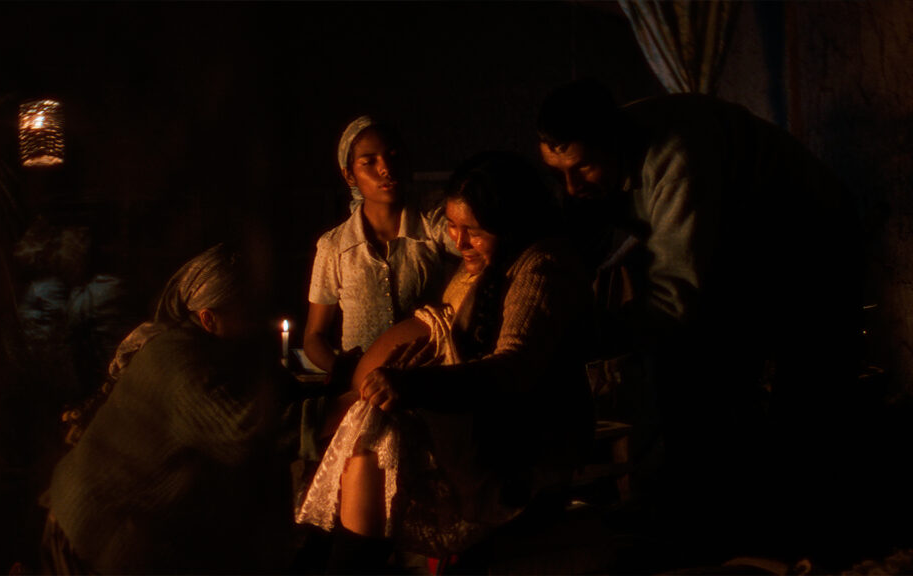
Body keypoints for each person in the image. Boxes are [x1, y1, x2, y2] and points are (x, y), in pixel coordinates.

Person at [536, 79, 866, 561]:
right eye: (557, 172)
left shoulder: (678, 158)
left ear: (614, 141)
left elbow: (674, 298)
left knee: (803, 392)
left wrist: (588, 338)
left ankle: (806, 540)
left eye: (582, 167)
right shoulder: (599, 155)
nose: (571, 186)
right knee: (688, 365)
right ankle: (688, 512)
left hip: (810, 239)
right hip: (738, 239)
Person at [296, 151, 596, 573]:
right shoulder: (483, 263)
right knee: (368, 434)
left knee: (375, 439)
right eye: (453, 226)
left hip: (513, 453)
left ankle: (344, 562)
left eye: (473, 230)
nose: (459, 241)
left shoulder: (541, 268)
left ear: (510, 224)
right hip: (464, 430)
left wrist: (415, 385)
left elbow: (513, 367)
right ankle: (331, 556)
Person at [39, 243, 295, 575]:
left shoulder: (201, 348)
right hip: (90, 529)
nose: (254, 320)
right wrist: (325, 412)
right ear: (208, 317)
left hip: (99, 522)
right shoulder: (179, 361)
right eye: (245, 310)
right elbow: (243, 432)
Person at [304, 115, 457, 380]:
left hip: (426, 382)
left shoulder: (433, 225)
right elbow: (314, 337)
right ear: (349, 175)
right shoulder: (334, 246)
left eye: (393, 156)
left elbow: (477, 247)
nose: (386, 168)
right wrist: (347, 373)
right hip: (361, 386)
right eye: (369, 162)